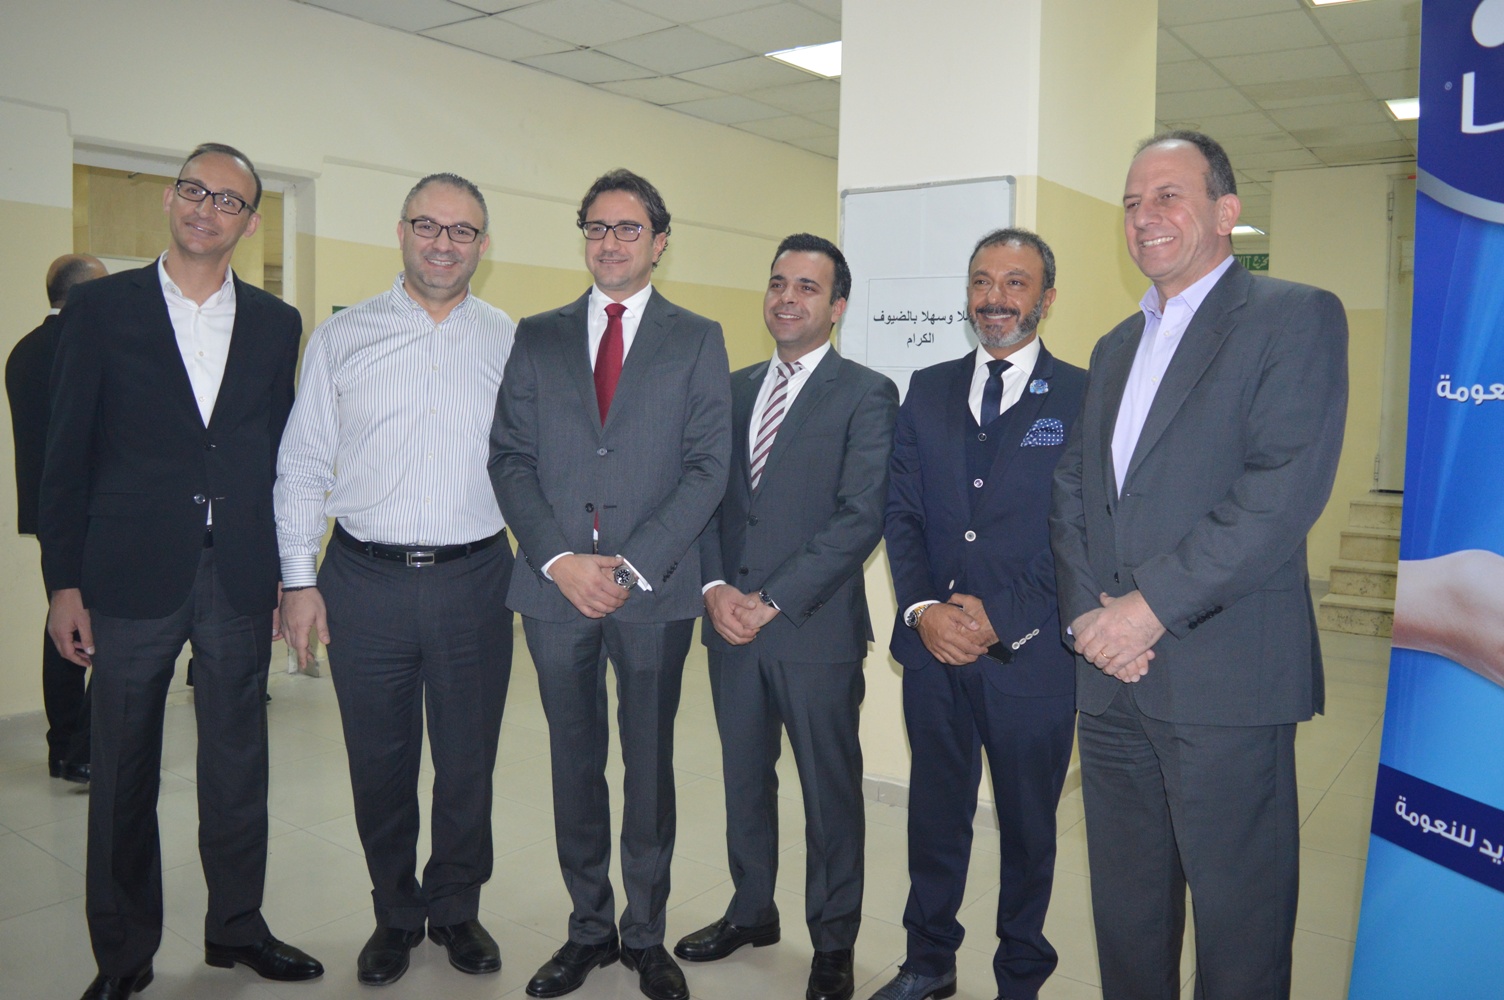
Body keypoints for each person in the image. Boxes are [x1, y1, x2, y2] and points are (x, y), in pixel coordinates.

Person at [1049, 131, 1348, 999]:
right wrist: (1088, 617)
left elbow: (1280, 492)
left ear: (1226, 212)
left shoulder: (1294, 316)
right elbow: (1073, 489)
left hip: (1225, 676)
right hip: (1111, 680)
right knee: (1129, 914)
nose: (1144, 216)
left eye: (1168, 196)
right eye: (1132, 202)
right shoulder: (1115, 345)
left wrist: (1143, 611)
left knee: (1239, 923)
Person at [38, 143, 323, 1000]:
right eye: (195, 190)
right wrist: (64, 584)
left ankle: (237, 927)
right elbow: (64, 454)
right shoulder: (101, 309)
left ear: (251, 222)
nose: (207, 208)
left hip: (237, 575)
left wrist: (286, 574)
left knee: (239, 766)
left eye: (228, 200)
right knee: (122, 771)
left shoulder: (276, 322)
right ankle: (123, 954)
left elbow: (277, 455)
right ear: (170, 198)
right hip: (128, 577)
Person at [490, 168, 732, 1000]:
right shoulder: (538, 335)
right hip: (554, 591)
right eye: (596, 227)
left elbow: (708, 467)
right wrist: (559, 560)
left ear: (659, 242)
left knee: (650, 763)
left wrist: (631, 566)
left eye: (628, 228)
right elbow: (510, 459)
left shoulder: (697, 338)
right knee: (574, 761)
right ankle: (588, 929)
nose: (610, 242)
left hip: (653, 593)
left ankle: (646, 934)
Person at [275, 172, 517, 986]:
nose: (443, 243)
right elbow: (303, 466)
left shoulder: (509, 341)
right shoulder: (341, 338)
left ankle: (456, 908)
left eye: (462, 230)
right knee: (378, 764)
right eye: (428, 225)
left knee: (467, 762)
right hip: (363, 580)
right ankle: (394, 913)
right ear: (403, 232)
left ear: (483, 245)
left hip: (476, 577)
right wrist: (297, 580)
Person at [672, 234, 897, 1000]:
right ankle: (751, 909)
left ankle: (833, 942)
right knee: (744, 778)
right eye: (777, 283)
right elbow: (703, 497)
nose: (787, 298)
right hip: (730, 626)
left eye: (807, 287)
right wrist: (713, 590)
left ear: (836, 307)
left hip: (812, 629)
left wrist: (771, 599)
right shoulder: (731, 388)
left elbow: (859, 517)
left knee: (829, 792)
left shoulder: (866, 393)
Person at [874, 228, 1084, 1000]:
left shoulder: (1084, 396)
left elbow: (1083, 532)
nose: (995, 298)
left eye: (1015, 282)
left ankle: (1021, 974)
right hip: (934, 653)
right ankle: (928, 961)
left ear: (1046, 298)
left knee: (1029, 829)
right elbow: (901, 512)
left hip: (1031, 658)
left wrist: (1004, 616)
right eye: (982, 281)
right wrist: (922, 609)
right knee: (935, 817)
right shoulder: (926, 387)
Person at [6, 252, 108, 784]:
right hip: (93, 511)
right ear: (87, 293)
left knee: (62, 622)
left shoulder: (24, 349)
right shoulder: (84, 345)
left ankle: (64, 745)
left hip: (48, 513)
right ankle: (88, 747)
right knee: (106, 626)